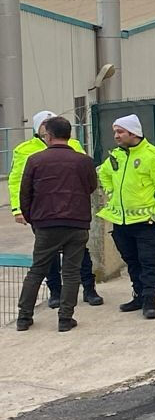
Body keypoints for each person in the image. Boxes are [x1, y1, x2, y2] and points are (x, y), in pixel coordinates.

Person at [15, 116, 99, 332]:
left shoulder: (34, 160)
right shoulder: (84, 161)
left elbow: (25, 193)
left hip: (46, 222)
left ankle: (24, 318)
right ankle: (65, 319)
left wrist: (32, 217)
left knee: (37, 270)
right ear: (69, 136)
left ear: (48, 136)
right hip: (77, 222)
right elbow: (91, 187)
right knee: (71, 272)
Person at [98, 113, 155, 319]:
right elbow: (103, 173)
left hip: (148, 223)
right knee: (132, 262)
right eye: (115, 131)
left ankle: (150, 301)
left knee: (149, 262)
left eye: (120, 132)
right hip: (122, 222)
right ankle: (139, 296)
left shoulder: (154, 156)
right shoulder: (116, 156)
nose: (116, 135)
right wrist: (111, 192)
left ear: (133, 133)